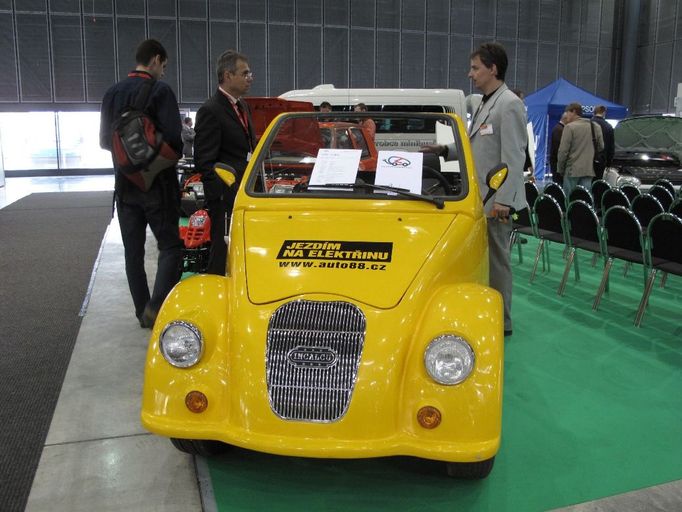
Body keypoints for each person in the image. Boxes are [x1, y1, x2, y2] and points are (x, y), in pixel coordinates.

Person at [422, 42, 527, 337]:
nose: (470, 74)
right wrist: (444, 148)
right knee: (485, 260)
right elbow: (476, 147)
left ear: (493, 69)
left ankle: (502, 321)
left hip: (497, 200)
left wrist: (503, 201)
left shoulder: (509, 104)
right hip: (480, 198)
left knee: (497, 260)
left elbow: (514, 157)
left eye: (475, 68)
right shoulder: (484, 102)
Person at [99, 38, 183, 329]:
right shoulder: (161, 91)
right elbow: (174, 140)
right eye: (164, 65)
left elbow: (104, 141)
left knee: (132, 253)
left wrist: (130, 161)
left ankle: (141, 312)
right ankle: (156, 307)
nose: (164, 71)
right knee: (170, 247)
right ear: (156, 60)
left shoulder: (112, 92)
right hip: (158, 187)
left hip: (124, 189)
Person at [193, 49, 256, 275]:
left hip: (245, 192)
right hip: (225, 197)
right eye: (245, 73)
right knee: (221, 251)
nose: (250, 77)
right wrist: (218, 196)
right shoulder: (210, 110)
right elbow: (204, 160)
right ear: (228, 76)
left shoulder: (243, 106)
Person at [557, 102, 604, 198]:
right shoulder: (595, 127)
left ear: (573, 112)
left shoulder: (569, 127)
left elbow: (563, 151)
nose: (566, 116)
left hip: (571, 170)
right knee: (585, 200)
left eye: (567, 113)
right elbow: (601, 147)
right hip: (588, 169)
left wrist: (560, 169)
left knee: (570, 200)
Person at [591, 105, 614, 176]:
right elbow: (611, 146)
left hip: (588, 158)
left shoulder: (588, 124)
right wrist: (609, 163)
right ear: (604, 113)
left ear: (594, 112)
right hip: (601, 159)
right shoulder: (608, 126)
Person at [550, 112, 568, 186]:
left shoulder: (558, 128)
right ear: (566, 119)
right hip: (557, 163)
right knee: (559, 184)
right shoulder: (559, 130)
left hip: (556, 162)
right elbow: (559, 148)